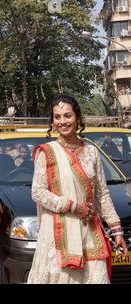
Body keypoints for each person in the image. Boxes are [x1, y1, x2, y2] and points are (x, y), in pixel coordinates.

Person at [28, 94, 127, 284]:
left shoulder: (91, 151)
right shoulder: (47, 152)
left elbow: (102, 195)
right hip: (57, 238)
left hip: (89, 232)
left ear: (78, 118)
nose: (63, 121)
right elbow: (38, 192)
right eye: (57, 117)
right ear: (52, 121)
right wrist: (73, 206)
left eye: (67, 115)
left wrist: (117, 230)